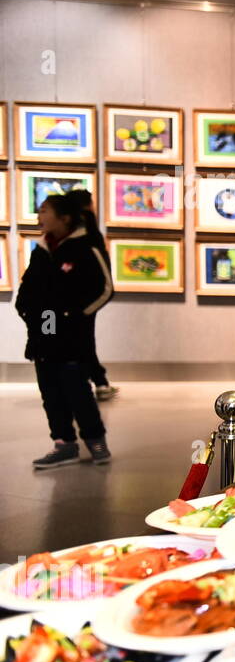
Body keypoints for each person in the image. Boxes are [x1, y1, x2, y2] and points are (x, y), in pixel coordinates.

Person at [16, 194, 114, 468]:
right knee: (50, 391)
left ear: (65, 217)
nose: (39, 216)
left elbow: (105, 289)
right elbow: (27, 290)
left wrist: (75, 315)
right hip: (43, 332)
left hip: (72, 335)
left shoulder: (85, 247)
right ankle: (63, 443)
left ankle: (95, 439)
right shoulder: (41, 251)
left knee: (76, 389)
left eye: (44, 211)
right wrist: (26, 312)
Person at [65, 190, 118, 401]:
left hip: (76, 306)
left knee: (80, 341)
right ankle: (95, 382)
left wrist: (82, 310)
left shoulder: (83, 239)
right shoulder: (53, 245)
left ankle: (93, 383)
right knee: (71, 341)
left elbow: (105, 285)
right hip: (57, 310)